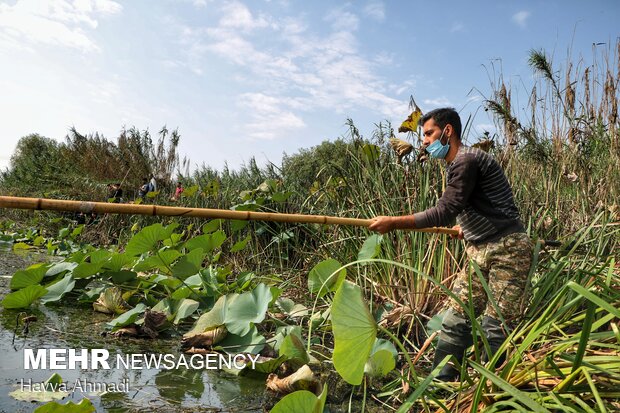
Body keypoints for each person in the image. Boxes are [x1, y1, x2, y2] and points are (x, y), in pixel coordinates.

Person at [369, 107, 533, 382]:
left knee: (496, 327)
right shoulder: (458, 163)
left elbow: (444, 210)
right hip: (479, 250)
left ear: (448, 131)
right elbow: (477, 203)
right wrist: (466, 227)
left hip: (508, 249)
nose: (424, 141)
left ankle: (494, 392)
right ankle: (441, 384)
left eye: (429, 133)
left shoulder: (466, 160)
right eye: (423, 135)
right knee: (456, 319)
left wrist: (393, 222)